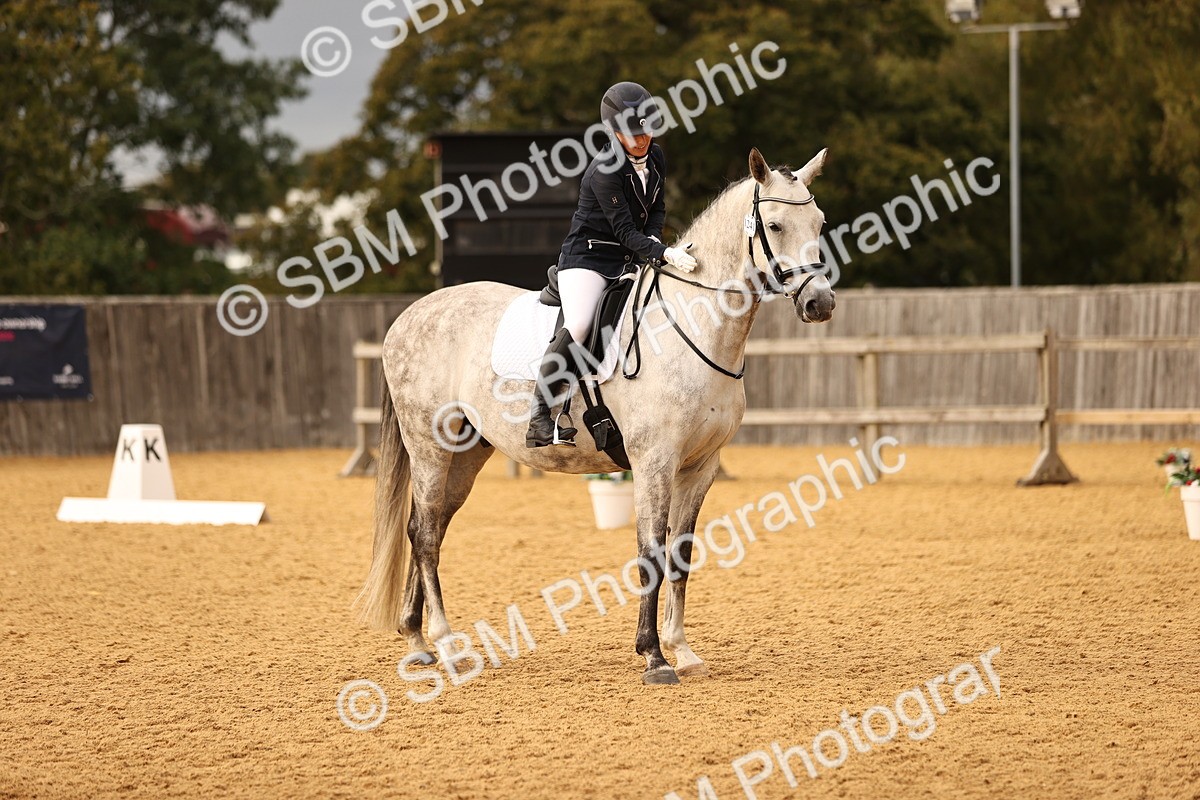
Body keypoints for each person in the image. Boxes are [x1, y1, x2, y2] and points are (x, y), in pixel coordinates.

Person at [526, 81, 698, 448]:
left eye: (647, 130)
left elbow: (658, 209)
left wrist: (654, 241)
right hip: (587, 259)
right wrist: (662, 253)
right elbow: (622, 231)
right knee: (581, 322)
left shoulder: (656, 158)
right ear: (614, 131)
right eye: (633, 133)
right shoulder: (604, 171)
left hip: (628, 256)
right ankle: (539, 417)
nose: (642, 139)